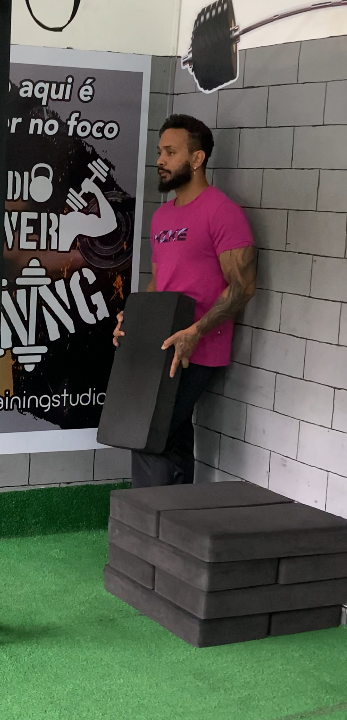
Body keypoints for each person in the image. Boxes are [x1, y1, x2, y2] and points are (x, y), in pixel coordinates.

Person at [113, 114, 256, 488]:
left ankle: (149, 519)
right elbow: (160, 281)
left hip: (197, 349)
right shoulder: (163, 216)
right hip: (161, 343)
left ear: (197, 158)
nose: (160, 160)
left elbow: (242, 287)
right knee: (168, 437)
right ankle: (172, 519)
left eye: (170, 152)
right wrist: (131, 320)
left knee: (148, 433)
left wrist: (195, 331)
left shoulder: (223, 212)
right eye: (160, 152)